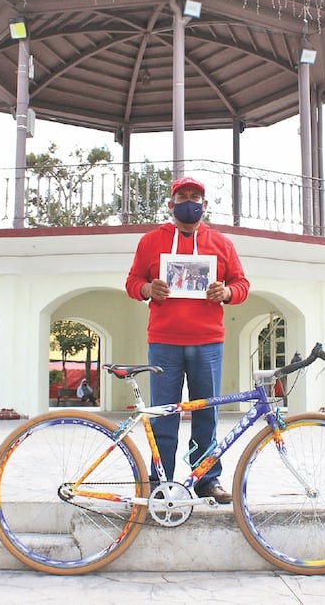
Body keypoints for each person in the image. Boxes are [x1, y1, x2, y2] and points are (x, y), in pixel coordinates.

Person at [125, 176, 250, 505]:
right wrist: (147, 289)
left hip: (208, 343)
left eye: (196, 196)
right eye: (183, 196)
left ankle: (207, 479)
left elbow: (242, 284)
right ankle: (160, 480)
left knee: (206, 415)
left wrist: (226, 292)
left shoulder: (222, 243)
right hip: (164, 343)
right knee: (163, 415)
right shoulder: (151, 242)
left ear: (205, 205)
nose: (189, 201)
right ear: (171, 204)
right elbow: (132, 281)